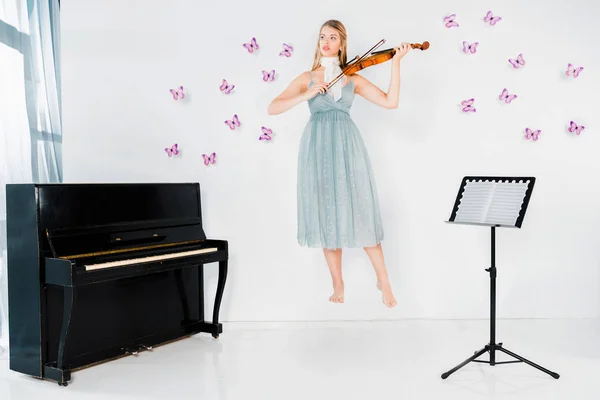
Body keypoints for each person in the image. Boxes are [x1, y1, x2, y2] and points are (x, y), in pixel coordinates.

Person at [267, 19, 411, 308]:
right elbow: (273, 107)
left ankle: (383, 279)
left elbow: (390, 101)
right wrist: (307, 93)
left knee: (362, 209)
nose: (326, 42)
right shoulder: (307, 76)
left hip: (347, 146)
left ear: (342, 44)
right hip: (317, 147)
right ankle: (337, 281)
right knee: (326, 212)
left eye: (332, 37)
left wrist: (396, 63)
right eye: (322, 37)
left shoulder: (352, 77)